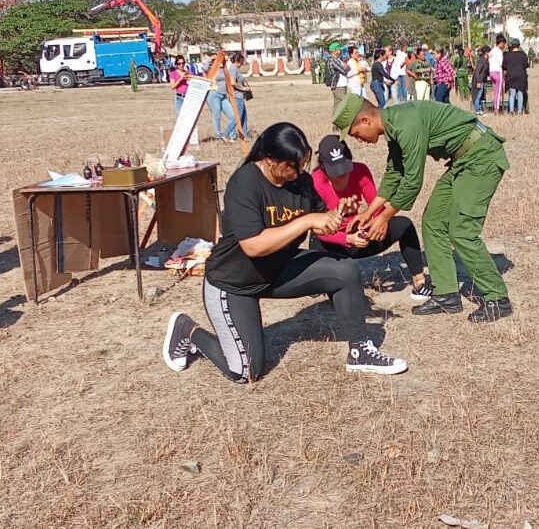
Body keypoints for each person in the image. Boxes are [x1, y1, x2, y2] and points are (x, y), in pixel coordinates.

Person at [161, 122, 407, 381]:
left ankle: (361, 352)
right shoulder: (244, 183)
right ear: (269, 160)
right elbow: (253, 246)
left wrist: (340, 214)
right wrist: (307, 221)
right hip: (234, 282)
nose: (299, 171)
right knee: (246, 372)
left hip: (279, 270)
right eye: (292, 165)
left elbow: (321, 217)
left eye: (303, 163)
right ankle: (188, 331)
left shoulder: (301, 181)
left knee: (344, 270)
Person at [333, 94, 514, 323]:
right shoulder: (393, 126)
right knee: (433, 221)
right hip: (463, 161)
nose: (359, 140)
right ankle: (446, 293)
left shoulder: (405, 124)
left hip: (481, 157)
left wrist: (384, 218)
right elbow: (395, 173)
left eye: (356, 134)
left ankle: (497, 298)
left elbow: (412, 181)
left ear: (366, 121)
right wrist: (369, 213)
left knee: (462, 230)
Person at [310, 135, 432, 300]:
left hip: (362, 235)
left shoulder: (360, 171)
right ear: (323, 167)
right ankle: (318, 281)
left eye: (345, 167)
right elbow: (319, 230)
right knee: (316, 238)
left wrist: (375, 224)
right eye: (335, 170)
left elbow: (376, 207)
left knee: (404, 225)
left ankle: (420, 281)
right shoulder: (315, 182)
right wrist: (347, 238)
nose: (342, 174)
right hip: (334, 243)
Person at [201, 53, 237, 143]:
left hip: (223, 95)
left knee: (233, 115)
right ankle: (219, 135)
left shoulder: (223, 68)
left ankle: (232, 135)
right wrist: (211, 58)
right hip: (213, 94)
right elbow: (204, 68)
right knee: (216, 114)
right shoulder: (210, 69)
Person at [222, 53, 251, 140]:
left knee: (244, 116)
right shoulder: (233, 68)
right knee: (237, 117)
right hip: (236, 97)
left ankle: (244, 136)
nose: (242, 64)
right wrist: (244, 89)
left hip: (240, 96)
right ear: (238, 61)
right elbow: (233, 82)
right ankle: (225, 134)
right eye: (242, 62)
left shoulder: (234, 69)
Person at [502, 38, 529, 115]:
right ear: (519, 45)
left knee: (512, 94)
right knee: (520, 93)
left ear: (511, 45)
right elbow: (526, 65)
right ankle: (520, 111)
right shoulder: (523, 55)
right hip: (521, 76)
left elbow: (504, 67)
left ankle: (511, 110)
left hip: (511, 76)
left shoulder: (507, 55)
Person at [322, 43, 350, 118]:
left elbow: (347, 68)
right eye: (338, 50)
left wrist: (346, 67)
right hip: (338, 85)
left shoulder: (338, 59)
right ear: (334, 51)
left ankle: (336, 123)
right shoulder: (332, 60)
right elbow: (344, 70)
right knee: (342, 104)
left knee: (338, 104)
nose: (340, 52)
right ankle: (339, 121)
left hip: (342, 84)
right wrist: (345, 67)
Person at [471, 45, 490, 116]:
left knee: (480, 95)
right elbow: (477, 71)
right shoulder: (481, 60)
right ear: (486, 53)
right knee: (477, 96)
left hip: (482, 80)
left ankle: (479, 110)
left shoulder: (485, 61)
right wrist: (478, 81)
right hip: (478, 80)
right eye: (489, 52)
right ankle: (477, 110)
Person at [488, 36, 506, 112]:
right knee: (499, 92)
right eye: (504, 44)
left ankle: (495, 106)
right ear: (501, 43)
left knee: (495, 92)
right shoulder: (499, 51)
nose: (504, 46)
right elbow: (501, 63)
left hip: (491, 72)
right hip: (498, 72)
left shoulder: (491, 51)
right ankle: (497, 109)